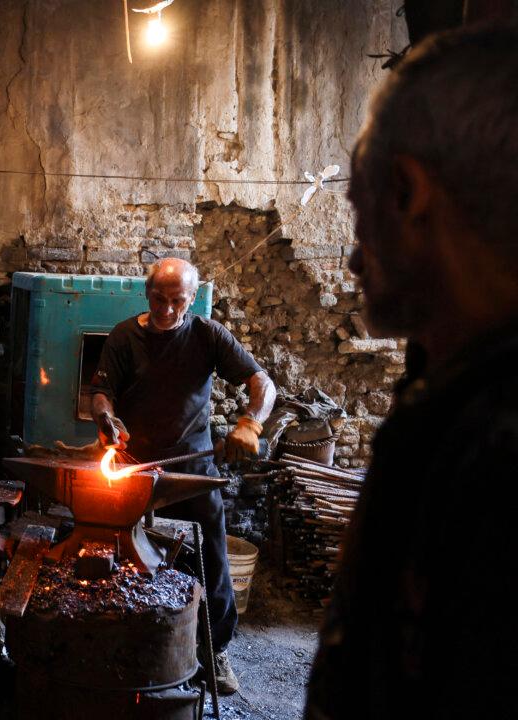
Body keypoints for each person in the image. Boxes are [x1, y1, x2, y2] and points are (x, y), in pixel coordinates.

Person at [305, 25, 518, 719]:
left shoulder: (495, 448)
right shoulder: (455, 398)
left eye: (360, 217)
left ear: (406, 191)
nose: (354, 263)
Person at [90, 258, 276, 694]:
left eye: (178, 301)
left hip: (192, 467)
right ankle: (121, 635)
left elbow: (261, 381)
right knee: (115, 551)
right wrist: (106, 419)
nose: (168, 310)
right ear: (146, 293)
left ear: (192, 299)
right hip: (133, 466)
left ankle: (215, 651)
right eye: (159, 299)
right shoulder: (123, 337)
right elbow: (101, 392)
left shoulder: (207, 334)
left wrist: (250, 422)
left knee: (212, 550)